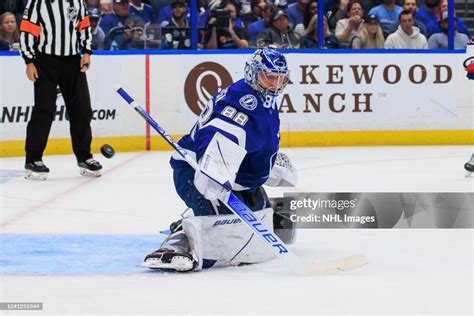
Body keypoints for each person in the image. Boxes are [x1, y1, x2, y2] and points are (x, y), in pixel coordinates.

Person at [143, 47, 297, 272]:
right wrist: (214, 170)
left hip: (234, 177)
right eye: (269, 76)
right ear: (254, 74)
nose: (275, 84)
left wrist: (269, 167)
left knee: (268, 222)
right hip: (197, 170)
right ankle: (179, 239)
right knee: (223, 231)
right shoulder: (241, 102)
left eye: (280, 78)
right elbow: (215, 132)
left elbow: (256, 140)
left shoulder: (263, 99)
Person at [19, 0, 102, 180]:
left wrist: (86, 52)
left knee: (82, 109)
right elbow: (27, 30)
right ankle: (33, 159)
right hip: (45, 61)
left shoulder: (77, 1)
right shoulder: (38, 3)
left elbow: (84, 26)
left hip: (73, 60)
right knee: (44, 110)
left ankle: (84, 156)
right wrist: (29, 61)